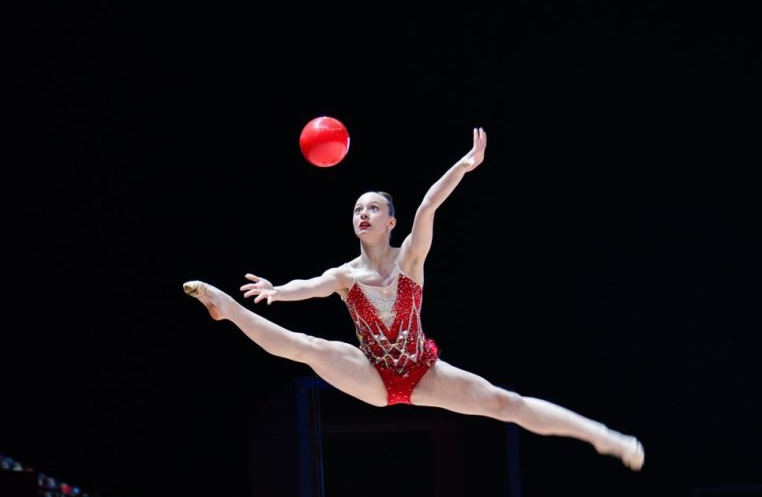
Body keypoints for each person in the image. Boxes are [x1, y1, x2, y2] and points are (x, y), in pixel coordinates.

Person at [183, 127, 644, 471]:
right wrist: (276, 291)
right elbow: (310, 286)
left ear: (391, 222)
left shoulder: (410, 259)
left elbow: (428, 206)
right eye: (357, 209)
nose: (363, 214)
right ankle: (229, 309)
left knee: (506, 403)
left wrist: (464, 165)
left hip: (424, 371)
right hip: (371, 375)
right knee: (309, 347)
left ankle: (603, 436)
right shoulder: (345, 276)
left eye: (373, 208)